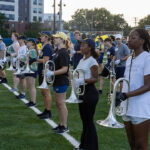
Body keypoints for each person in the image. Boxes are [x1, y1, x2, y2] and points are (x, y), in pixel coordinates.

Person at [116, 28, 150, 150]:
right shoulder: (130, 59)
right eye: (128, 38)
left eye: (133, 38)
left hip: (141, 107)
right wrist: (119, 95)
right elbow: (127, 81)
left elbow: (148, 85)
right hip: (127, 106)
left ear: (142, 41)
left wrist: (126, 95)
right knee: (132, 144)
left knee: (141, 145)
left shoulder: (147, 58)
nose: (129, 40)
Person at [73, 39, 99, 150]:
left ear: (90, 48)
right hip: (82, 92)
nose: (81, 47)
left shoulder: (92, 61)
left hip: (90, 92)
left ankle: (92, 147)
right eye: (81, 45)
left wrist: (82, 80)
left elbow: (95, 79)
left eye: (83, 45)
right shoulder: (82, 60)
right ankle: (83, 145)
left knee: (88, 121)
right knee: (85, 121)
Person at [46, 32, 69, 134]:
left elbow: (65, 69)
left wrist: (52, 73)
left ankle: (64, 126)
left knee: (61, 103)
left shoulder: (63, 52)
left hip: (61, 80)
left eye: (56, 38)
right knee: (59, 104)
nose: (54, 39)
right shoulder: (57, 51)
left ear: (62, 39)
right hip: (57, 80)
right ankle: (61, 124)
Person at [36, 31, 53, 119]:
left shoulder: (47, 47)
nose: (41, 37)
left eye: (43, 36)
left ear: (47, 38)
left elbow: (45, 60)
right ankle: (46, 110)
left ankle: (48, 111)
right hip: (42, 71)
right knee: (44, 92)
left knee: (46, 92)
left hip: (45, 72)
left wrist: (35, 59)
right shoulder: (45, 46)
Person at [25, 39, 38, 107]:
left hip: (32, 69)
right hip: (29, 69)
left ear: (32, 43)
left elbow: (34, 59)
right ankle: (31, 100)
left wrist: (27, 63)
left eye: (28, 42)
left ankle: (33, 101)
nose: (27, 43)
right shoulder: (29, 50)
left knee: (32, 86)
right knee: (30, 86)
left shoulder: (33, 50)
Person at [15, 35, 27, 99]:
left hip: (22, 66)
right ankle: (22, 93)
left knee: (23, 80)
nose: (18, 40)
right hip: (18, 66)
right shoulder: (21, 47)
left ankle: (23, 93)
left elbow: (25, 57)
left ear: (22, 40)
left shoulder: (24, 47)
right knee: (20, 80)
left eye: (19, 39)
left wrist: (22, 62)